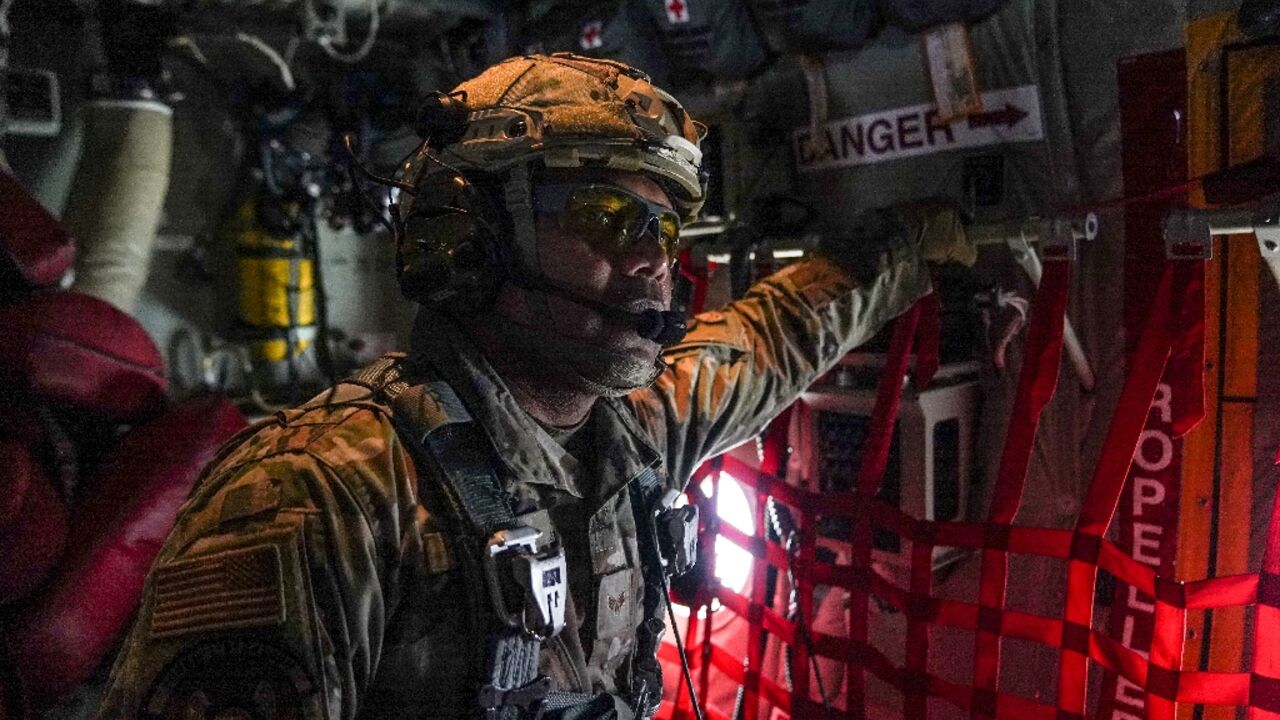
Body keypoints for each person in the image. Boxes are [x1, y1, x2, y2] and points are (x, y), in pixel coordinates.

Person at [97, 53, 974, 720]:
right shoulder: (318, 495)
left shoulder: (632, 430)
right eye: (604, 217)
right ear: (466, 239)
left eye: (664, 229)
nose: (651, 261)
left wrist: (914, 241)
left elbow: (775, 338)